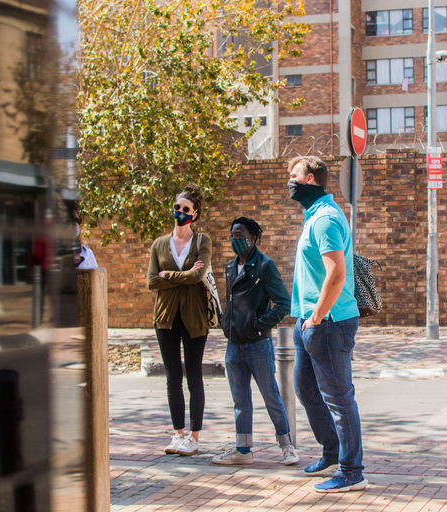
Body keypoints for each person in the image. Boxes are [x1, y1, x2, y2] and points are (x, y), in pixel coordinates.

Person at [286, 156, 366, 493]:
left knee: (338, 397)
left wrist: (317, 316)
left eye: (293, 176)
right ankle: (332, 452)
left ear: (310, 179)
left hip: (329, 322)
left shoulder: (326, 219)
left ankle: (351, 471)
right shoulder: (314, 216)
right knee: (305, 389)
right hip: (310, 321)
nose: (288, 182)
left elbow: (336, 273)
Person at [213, 217, 298, 466]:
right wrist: (225, 321)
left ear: (253, 237)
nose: (234, 240)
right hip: (234, 344)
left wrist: (258, 324)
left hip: (258, 344)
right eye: (232, 235)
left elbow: (284, 303)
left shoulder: (264, 265)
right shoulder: (231, 268)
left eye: (239, 235)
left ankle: (287, 447)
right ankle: (243, 450)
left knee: (271, 396)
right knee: (240, 400)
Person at [147, 184, 211, 456]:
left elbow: (198, 277)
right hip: (166, 318)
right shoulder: (159, 244)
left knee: (194, 375)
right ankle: (178, 435)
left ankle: (194, 437)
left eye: (186, 210)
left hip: (195, 318)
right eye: (177, 208)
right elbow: (151, 281)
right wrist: (172, 277)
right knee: (172, 376)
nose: (180, 213)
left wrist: (167, 276)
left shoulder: (202, 241)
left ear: (194, 214)